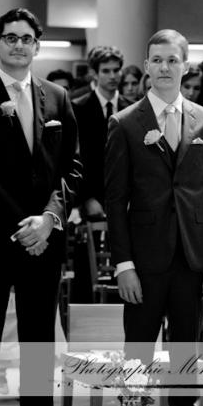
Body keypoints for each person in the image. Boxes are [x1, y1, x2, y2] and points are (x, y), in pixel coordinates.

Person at [0, 7, 81, 406]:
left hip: (44, 239)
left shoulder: (58, 96)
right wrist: (22, 224)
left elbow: (72, 167)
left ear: (37, 46)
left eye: (27, 39)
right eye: (11, 37)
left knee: (39, 343)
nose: (19, 46)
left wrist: (48, 219)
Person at [104, 29, 203, 406]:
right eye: (157, 60)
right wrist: (123, 265)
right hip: (143, 259)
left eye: (172, 60)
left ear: (185, 66)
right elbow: (115, 200)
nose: (164, 67)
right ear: (145, 67)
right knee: (139, 350)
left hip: (192, 258)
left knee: (186, 353)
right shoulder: (124, 123)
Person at [72, 45, 131, 302]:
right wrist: (86, 198)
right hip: (90, 197)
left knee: (125, 262)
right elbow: (74, 158)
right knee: (89, 266)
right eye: (106, 70)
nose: (113, 76)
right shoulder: (78, 107)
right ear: (94, 74)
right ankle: (87, 327)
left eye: (116, 70)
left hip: (125, 197)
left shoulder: (132, 107)